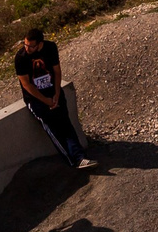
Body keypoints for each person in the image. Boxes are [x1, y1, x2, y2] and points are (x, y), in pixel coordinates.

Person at [13, 27, 96, 171]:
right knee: (54, 129)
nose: (27, 48)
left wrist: (57, 93)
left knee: (66, 124)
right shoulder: (21, 58)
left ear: (40, 44)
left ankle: (80, 157)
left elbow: (57, 71)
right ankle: (72, 160)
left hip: (53, 93)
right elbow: (26, 84)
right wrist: (46, 101)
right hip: (36, 100)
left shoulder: (50, 48)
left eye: (31, 46)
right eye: (25, 45)